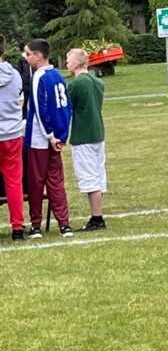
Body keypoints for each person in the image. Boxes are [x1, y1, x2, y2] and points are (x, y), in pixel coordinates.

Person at [23, 38, 72, 238]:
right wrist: (62, 135)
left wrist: (51, 136)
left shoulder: (39, 76)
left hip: (40, 137)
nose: (26, 57)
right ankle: (64, 224)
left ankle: (35, 225)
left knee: (36, 181)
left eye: (28, 54)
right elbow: (67, 108)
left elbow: (39, 109)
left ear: (38, 56)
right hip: (56, 135)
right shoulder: (58, 75)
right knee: (56, 180)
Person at [65, 48, 108, 231]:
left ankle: (97, 218)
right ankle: (97, 213)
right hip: (98, 132)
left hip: (83, 135)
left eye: (68, 60)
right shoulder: (97, 82)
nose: (67, 64)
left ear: (76, 64)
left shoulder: (76, 84)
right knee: (98, 174)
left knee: (89, 177)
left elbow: (67, 107)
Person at [0, 35, 25, 241]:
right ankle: (17, 226)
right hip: (12, 134)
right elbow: (20, 101)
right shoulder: (14, 74)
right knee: (14, 181)